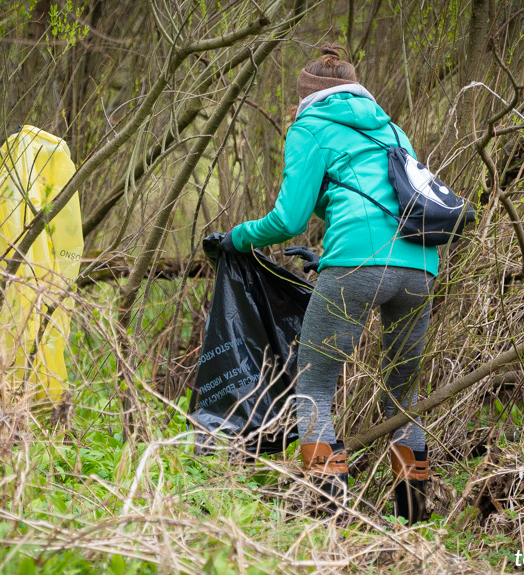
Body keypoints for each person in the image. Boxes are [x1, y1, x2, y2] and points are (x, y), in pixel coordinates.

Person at [221, 44, 435, 522]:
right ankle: (415, 521)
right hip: (421, 264)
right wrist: (330, 255)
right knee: (403, 395)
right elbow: (385, 199)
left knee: (313, 385)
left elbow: (288, 218)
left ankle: (329, 519)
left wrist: (237, 238)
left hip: (360, 264)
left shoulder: (310, 128)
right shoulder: (391, 128)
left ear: (305, 96)